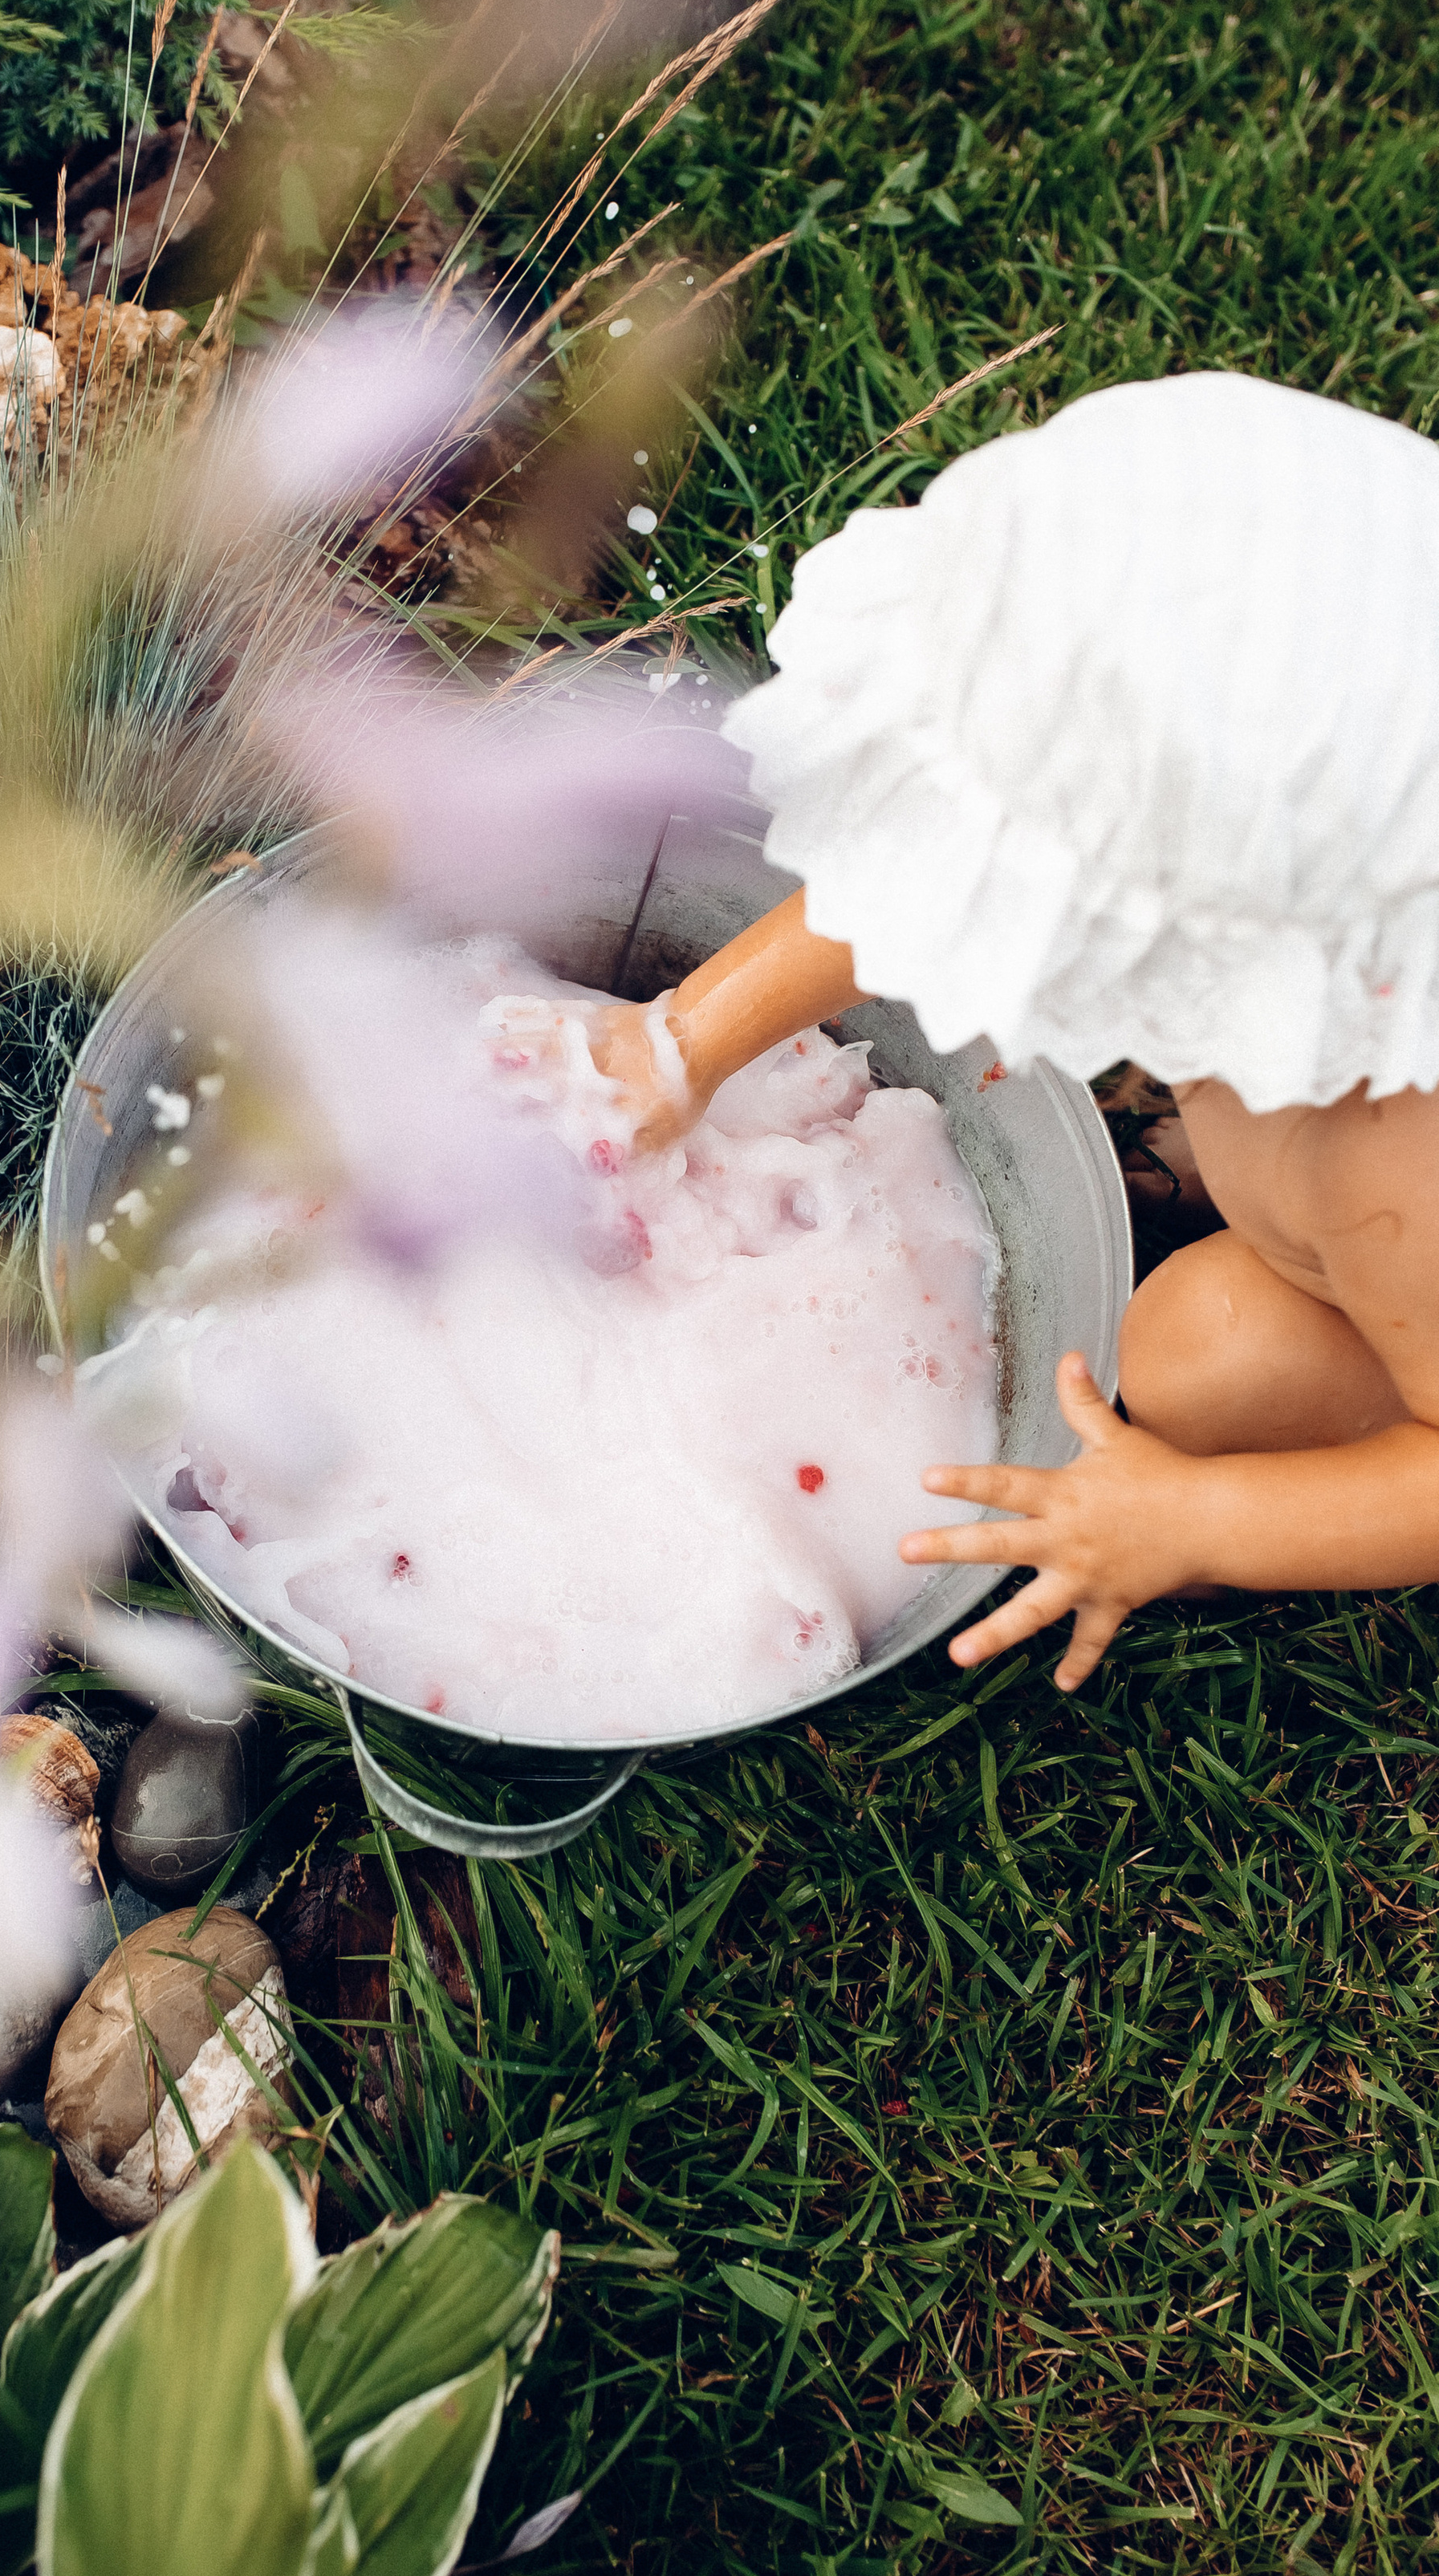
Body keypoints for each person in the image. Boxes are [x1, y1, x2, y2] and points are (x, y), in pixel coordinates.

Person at [589, 372, 1439, 1692]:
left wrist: (1190, 1521)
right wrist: (686, 1043)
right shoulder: (1341, 920)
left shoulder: (1396, 1164)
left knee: (1195, 1356)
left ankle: (1195, 1509)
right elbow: (919, 877)